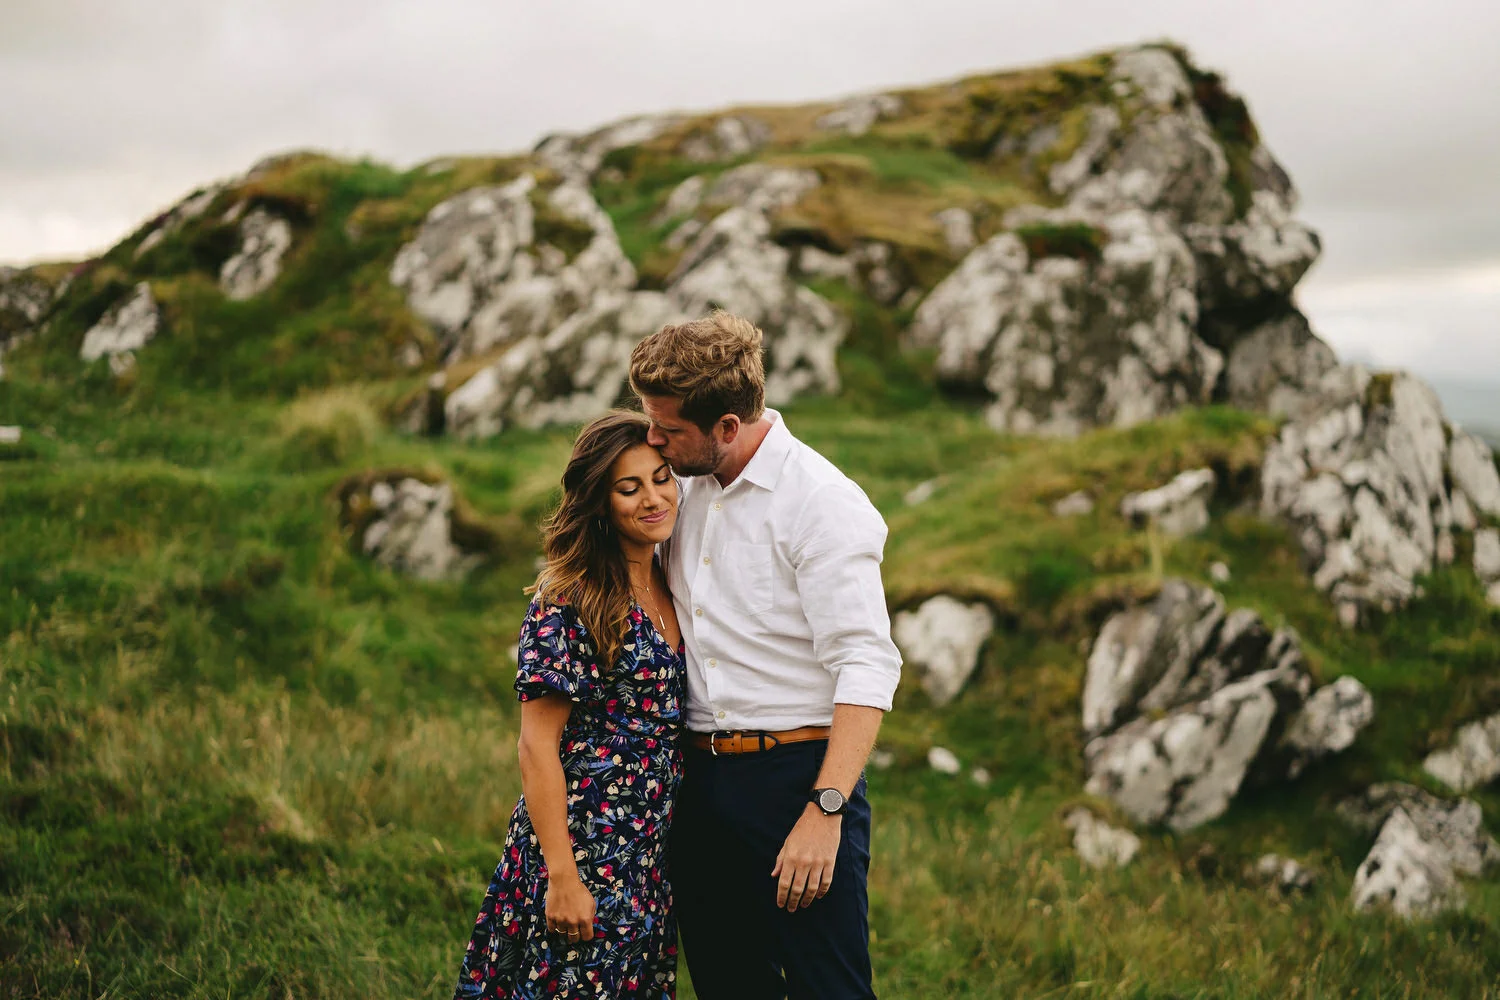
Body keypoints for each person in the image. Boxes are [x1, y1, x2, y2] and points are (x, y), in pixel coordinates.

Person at [628, 311, 902, 1000]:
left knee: (827, 988)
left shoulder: (823, 504)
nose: (652, 439)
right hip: (696, 781)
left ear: (726, 427)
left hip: (797, 780)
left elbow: (866, 663)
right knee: (727, 985)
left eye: (668, 429)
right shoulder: (675, 487)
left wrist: (826, 809)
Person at [453, 412, 685, 1000]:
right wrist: (562, 875)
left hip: (647, 856)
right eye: (629, 489)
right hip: (583, 848)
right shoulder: (571, 596)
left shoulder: (675, 578)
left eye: (662, 478)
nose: (654, 499)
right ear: (599, 503)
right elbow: (536, 745)